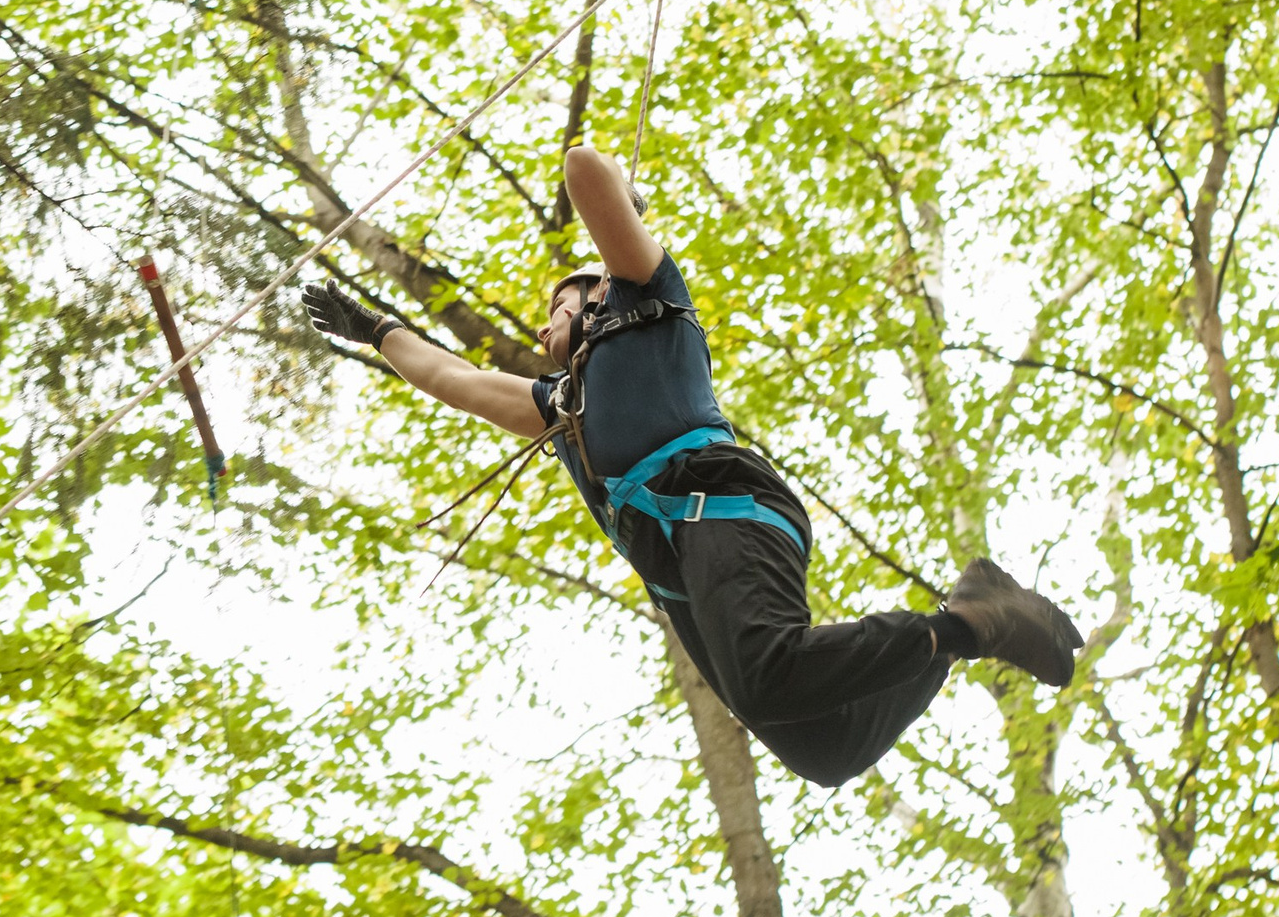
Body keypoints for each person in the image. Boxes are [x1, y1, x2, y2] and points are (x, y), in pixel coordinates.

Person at [302, 143, 1085, 788]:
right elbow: (456, 380)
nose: (544, 330)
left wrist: (620, 218)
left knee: (768, 674)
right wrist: (377, 330)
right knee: (825, 748)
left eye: (557, 308)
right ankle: (965, 619)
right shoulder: (563, 404)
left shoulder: (649, 304)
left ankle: (970, 624)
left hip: (721, 504)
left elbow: (583, 169)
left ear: (599, 294)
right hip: (682, 561)